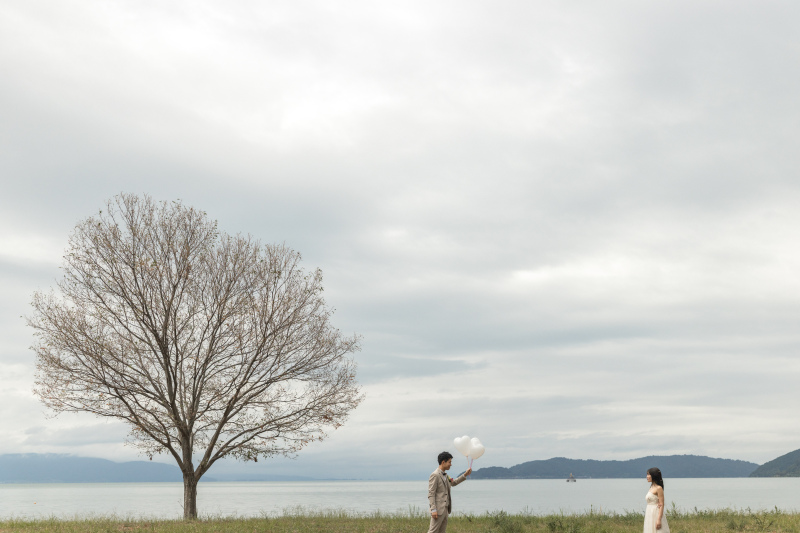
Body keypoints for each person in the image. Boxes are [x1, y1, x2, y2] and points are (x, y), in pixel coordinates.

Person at [427, 451, 472, 533]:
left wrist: (465, 475)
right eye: (449, 462)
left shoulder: (446, 475)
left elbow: (453, 483)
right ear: (443, 462)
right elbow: (431, 493)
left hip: (446, 509)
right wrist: (433, 509)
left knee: (442, 531)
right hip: (438, 509)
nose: (451, 464)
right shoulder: (435, 475)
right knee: (433, 531)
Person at [644, 467, 670, 532]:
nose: (647, 476)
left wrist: (659, 519)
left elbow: (661, 504)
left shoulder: (659, 488)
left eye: (648, 474)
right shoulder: (651, 487)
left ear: (653, 475)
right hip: (649, 512)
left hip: (655, 513)